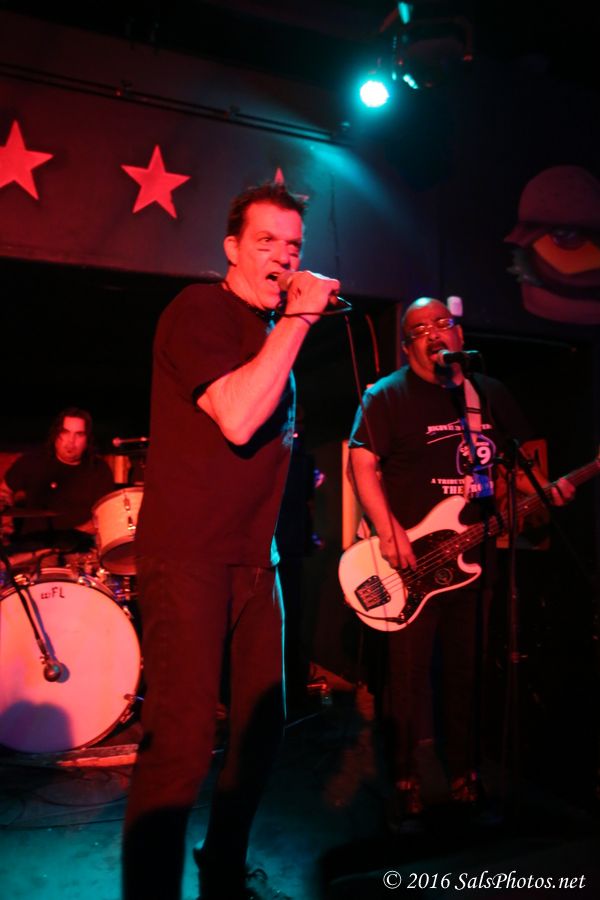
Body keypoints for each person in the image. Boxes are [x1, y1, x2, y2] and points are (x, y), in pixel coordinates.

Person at [122, 182, 338, 900]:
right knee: (181, 745)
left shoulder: (274, 333)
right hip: (188, 554)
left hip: (256, 562)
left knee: (262, 728)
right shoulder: (198, 310)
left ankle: (222, 863)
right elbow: (239, 418)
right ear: (232, 249)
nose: (284, 257)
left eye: (294, 246)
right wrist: (299, 319)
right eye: (267, 241)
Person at [346, 296, 574, 831]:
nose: (434, 333)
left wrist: (545, 489)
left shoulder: (487, 394)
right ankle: (404, 778)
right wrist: (388, 530)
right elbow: (362, 462)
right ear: (407, 346)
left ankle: (465, 772)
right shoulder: (387, 395)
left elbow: (513, 468)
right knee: (407, 677)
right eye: (420, 328)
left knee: (466, 671)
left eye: (443, 323)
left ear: (459, 334)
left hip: (472, 558)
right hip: (409, 565)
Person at [0, 407, 114, 560]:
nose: (71, 441)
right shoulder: (32, 461)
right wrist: (6, 521)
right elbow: (4, 491)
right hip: (32, 552)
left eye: (79, 434)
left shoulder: (99, 470)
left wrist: (72, 536)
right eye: (65, 432)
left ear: (87, 440)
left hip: (79, 552)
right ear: (56, 435)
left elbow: (105, 516)